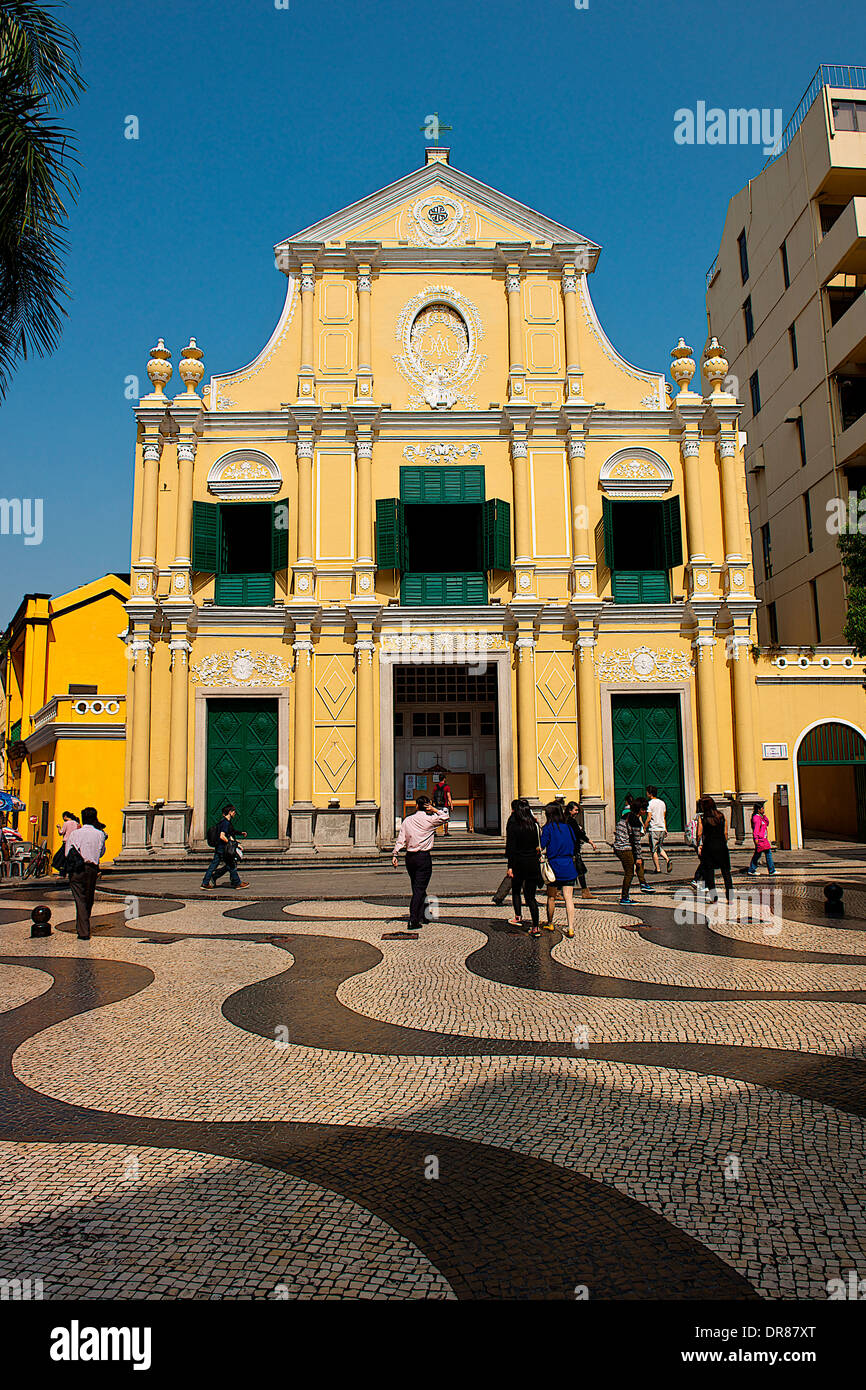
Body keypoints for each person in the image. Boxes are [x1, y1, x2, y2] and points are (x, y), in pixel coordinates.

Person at [392, 794, 450, 932]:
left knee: (418, 886)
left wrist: (395, 854)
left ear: (416, 806)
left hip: (410, 857)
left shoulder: (407, 820)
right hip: (423, 857)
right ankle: (413, 920)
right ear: (427, 806)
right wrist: (435, 809)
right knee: (418, 889)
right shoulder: (430, 820)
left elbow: (401, 838)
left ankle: (424, 915)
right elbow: (445, 817)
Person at [67, 807, 107, 940]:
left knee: (80, 899)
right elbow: (101, 852)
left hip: (77, 870)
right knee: (88, 899)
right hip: (92, 869)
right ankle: (84, 928)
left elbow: (68, 853)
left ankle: (83, 929)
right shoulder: (99, 834)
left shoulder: (75, 834)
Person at [505, 797, 543, 936]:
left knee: (516, 890)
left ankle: (518, 916)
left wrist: (510, 867)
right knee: (531, 897)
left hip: (519, 863)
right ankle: (536, 926)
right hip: (533, 862)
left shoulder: (515, 826)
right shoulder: (534, 825)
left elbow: (511, 848)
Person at [540, 802, 578, 938]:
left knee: (551, 897)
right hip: (568, 865)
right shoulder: (568, 827)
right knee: (569, 898)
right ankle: (571, 928)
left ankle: (550, 922)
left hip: (554, 867)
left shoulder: (548, 828)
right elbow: (574, 843)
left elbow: (542, 844)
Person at [613, 798, 655, 904]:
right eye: (644, 809)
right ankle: (625, 897)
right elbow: (636, 842)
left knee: (639, 864)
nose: (645, 812)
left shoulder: (626, 816)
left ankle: (643, 883)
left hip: (619, 846)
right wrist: (638, 857)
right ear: (640, 810)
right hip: (624, 848)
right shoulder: (635, 821)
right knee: (629, 873)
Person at [201, 805, 249, 889]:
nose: (235, 813)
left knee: (215, 865)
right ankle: (237, 883)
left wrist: (241, 833)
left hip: (219, 847)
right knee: (231, 865)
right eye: (233, 811)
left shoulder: (224, 822)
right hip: (223, 848)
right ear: (230, 812)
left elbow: (230, 832)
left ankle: (206, 882)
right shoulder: (225, 823)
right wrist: (232, 844)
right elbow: (222, 836)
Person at [696, 796, 733, 901]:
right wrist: (722, 842)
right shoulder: (721, 816)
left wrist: (699, 845)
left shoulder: (702, 818)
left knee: (709, 873)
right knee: (726, 872)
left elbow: (699, 833)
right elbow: (726, 833)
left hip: (708, 846)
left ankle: (714, 896)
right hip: (721, 846)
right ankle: (730, 896)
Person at [564, 801, 598, 899]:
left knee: (576, 870)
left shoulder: (564, 820)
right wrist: (590, 841)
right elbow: (579, 834)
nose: (577, 812)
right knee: (580, 870)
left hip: (568, 849)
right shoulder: (571, 821)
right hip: (574, 849)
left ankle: (558, 891)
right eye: (575, 810)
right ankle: (584, 892)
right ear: (570, 810)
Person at [492, 800, 521, 904]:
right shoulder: (516, 820)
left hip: (515, 853)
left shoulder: (512, 819)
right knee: (512, 876)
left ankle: (499, 896)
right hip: (518, 853)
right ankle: (499, 896)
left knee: (513, 876)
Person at [643, 786, 672, 873]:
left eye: (647, 792)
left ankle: (658, 869)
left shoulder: (650, 804)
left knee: (653, 849)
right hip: (662, 828)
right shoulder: (662, 803)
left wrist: (644, 827)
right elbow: (663, 817)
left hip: (654, 829)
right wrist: (665, 828)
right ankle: (667, 859)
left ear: (650, 793)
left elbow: (649, 817)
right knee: (659, 847)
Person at [748, 800, 776, 877]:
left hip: (764, 839)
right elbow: (756, 829)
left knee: (761, 854)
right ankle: (770, 870)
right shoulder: (756, 818)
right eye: (762, 808)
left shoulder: (761, 818)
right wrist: (756, 839)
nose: (763, 810)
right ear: (758, 809)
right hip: (760, 839)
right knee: (763, 854)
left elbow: (767, 823)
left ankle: (752, 869)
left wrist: (764, 816)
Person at [53, 811, 79, 877]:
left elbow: (61, 832)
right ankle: (68, 872)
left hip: (66, 842)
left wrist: (58, 827)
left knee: (59, 858)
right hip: (74, 842)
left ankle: (62, 873)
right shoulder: (76, 823)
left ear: (65, 816)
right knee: (69, 858)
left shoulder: (66, 823)